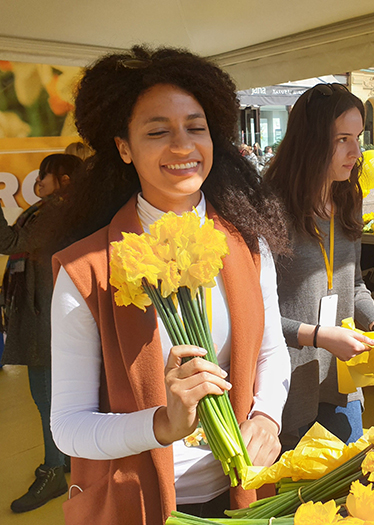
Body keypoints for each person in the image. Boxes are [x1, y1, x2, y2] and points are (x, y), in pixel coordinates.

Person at [46, 46, 292, 524]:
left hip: (243, 495)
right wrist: (163, 424)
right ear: (123, 147)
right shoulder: (85, 271)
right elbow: (68, 428)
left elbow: (271, 352)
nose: (183, 147)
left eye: (195, 128)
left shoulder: (248, 246)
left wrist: (269, 415)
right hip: (136, 504)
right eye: (158, 132)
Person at [265, 83, 374, 450]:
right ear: (311, 141)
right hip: (283, 387)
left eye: (358, 137)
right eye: (343, 139)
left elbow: (354, 287)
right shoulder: (270, 208)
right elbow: (253, 312)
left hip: (341, 382)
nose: (356, 152)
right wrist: (318, 335)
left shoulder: (348, 198)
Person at [0, 154, 82, 513]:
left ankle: (53, 472)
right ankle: (66, 457)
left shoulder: (54, 212)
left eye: (45, 175)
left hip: (45, 315)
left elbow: (6, 242)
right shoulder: (59, 209)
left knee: (46, 395)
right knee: (54, 393)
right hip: (51, 311)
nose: (39, 181)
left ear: (64, 180)